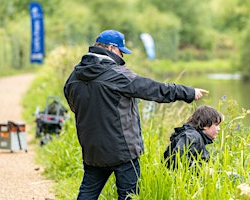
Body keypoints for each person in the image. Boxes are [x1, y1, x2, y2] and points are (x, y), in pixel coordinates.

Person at [63, 29, 208, 200]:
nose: (123, 57)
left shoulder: (74, 76)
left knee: (87, 193)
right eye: (121, 51)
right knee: (129, 196)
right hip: (122, 151)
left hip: (92, 150)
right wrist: (188, 92)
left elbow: (74, 106)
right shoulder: (117, 74)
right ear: (111, 48)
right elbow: (153, 89)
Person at [163, 105, 223, 171]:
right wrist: (203, 170)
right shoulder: (192, 136)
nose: (219, 129)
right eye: (216, 125)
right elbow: (178, 157)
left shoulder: (197, 136)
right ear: (205, 125)